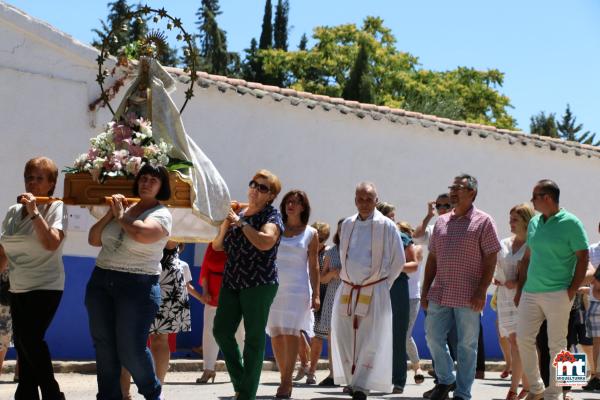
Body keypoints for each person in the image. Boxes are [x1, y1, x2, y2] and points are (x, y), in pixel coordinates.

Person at [86, 163, 173, 400]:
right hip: (102, 281)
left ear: (161, 187)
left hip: (138, 285)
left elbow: (142, 233)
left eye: (153, 180)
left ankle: (153, 393)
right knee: (104, 347)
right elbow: (94, 239)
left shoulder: (162, 214)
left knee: (131, 349)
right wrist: (108, 215)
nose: (146, 183)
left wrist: (122, 216)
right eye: (143, 178)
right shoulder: (123, 208)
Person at [422, 173, 500, 400]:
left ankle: (463, 393)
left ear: (472, 193)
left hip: (469, 295)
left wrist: (481, 291)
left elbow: (491, 259)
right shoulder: (441, 222)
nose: (453, 192)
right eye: (452, 187)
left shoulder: (484, 221)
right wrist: (426, 289)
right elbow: (433, 259)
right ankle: (447, 379)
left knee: (467, 345)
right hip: (440, 291)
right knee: (432, 337)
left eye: (459, 188)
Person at [212, 169, 283, 400]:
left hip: (259, 282)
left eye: (263, 188)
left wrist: (241, 223)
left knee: (253, 337)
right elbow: (217, 246)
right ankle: (243, 382)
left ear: (270, 196)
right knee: (221, 330)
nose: (255, 189)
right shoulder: (239, 212)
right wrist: (227, 222)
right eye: (254, 184)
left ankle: (246, 394)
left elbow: (265, 242)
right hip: (233, 280)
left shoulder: (272, 216)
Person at [515, 179, 589, 400]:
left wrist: (571, 290)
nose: (531, 200)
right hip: (531, 292)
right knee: (524, 339)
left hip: (560, 294)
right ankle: (538, 388)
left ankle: (557, 393)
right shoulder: (535, 223)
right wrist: (521, 289)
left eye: (534, 196)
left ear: (546, 198)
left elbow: (583, 258)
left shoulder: (572, 223)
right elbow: (527, 258)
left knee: (561, 345)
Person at [0, 156, 67, 400]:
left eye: (40, 178)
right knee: (23, 342)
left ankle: (51, 393)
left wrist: (35, 213)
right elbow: (3, 250)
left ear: (51, 184)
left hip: (46, 284)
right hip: (18, 286)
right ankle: (26, 393)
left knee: (30, 338)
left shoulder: (56, 207)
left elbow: (51, 243)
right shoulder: (12, 212)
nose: (33, 183)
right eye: (29, 177)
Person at [331, 182, 405, 400]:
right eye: (360, 198)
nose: (364, 203)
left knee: (370, 336)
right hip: (348, 289)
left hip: (375, 289)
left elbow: (398, 261)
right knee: (344, 333)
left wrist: (381, 285)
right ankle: (351, 380)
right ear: (355, 200)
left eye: (369, 199)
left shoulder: (387, 226)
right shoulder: (346, 224)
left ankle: (362, 385)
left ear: (376, 200)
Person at [267, 190, 320, 397]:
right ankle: (283, 376)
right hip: (274, 289)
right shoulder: (275, 228)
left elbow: (314, 266)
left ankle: (287, 381)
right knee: (277, 334)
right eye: (288, 201)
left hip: (298, 291)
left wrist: (316, 293)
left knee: (291, 334)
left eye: (296, 202)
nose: (291, 205)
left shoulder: (311, 233)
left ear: (303, 207)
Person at [494, 204, 534, 400]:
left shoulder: (534, 244)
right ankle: (527, 386)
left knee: (520, 343)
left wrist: (517, 282)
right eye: (510, 219)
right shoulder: (504, 243)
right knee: (512, 341)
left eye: (515, 219)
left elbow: (534, 272)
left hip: (525, 298)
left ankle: (514, 389)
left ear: (526, 221)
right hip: (504, 297)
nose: (510, 223)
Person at [376, 202, 416, 394]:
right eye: (389, 216)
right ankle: (371, 378)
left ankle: (398, 379)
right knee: (373, 333)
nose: (392, 220)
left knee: (398, 334)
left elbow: (413, 265)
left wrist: (393, 268)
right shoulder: (370, 236)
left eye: (393, 216)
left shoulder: (402, 237)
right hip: (374, 286)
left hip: (397, 287)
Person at [196, 242, 244, 384]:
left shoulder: (240, 244)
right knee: (209, 332)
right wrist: (204, 292)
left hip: (236, 292)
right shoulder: (212, 245)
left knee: (239, 333)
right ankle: (208, 369)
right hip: (214, 294)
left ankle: (238, 369)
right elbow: (205, 269)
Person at [397, 221, 426, 385]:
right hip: (394, 295)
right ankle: (412, 368)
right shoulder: (395, 250)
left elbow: (414, 260)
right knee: (396, 335)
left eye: (402, 234)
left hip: (412, 297)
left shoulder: (416, 249)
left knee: (405, 334)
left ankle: (417, 367)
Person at [306, 221, 331, 385]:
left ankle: (314, 372)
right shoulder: (307, 250)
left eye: (321, 238)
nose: (318, 241)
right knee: (311, 335)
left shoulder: (329, 253)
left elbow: (327, 277)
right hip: (308, 293)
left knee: (321, 336)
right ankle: (308, 368)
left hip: (325, 296)